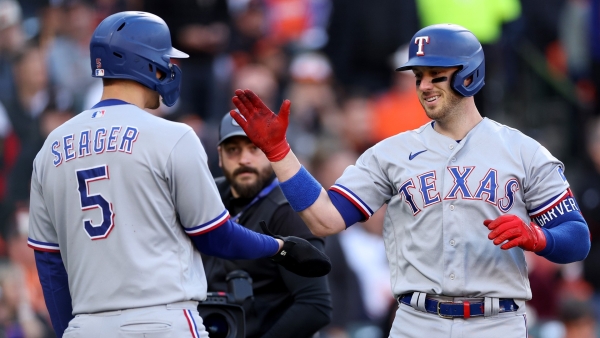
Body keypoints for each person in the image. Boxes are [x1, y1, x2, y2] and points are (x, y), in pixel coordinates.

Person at [229, 23, 591, 338]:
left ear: (469, 74)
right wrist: (279, 152)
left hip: (496, 322)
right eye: (419, 77)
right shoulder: (389, 153)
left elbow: (577, 238)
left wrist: (538, 237)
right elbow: (325, 219)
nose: (424, 86)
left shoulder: (523, 151)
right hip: (417, 321)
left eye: (436, 74)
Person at [26, 11, 329, 338]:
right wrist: (279, 247)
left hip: (86, 327)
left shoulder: (50, 148)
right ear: (144, 64)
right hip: (162, 320)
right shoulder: (173, 136)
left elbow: (50, 265)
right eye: (164, 61)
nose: (169, 69)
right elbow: (214, 236)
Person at [201, 112, 332, 338]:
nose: (244, 159)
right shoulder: (207, 198)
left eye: (254, 148)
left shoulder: (288, 210)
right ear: (220, 156)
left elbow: (315, 306)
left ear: (270, 152)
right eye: (233, 150)